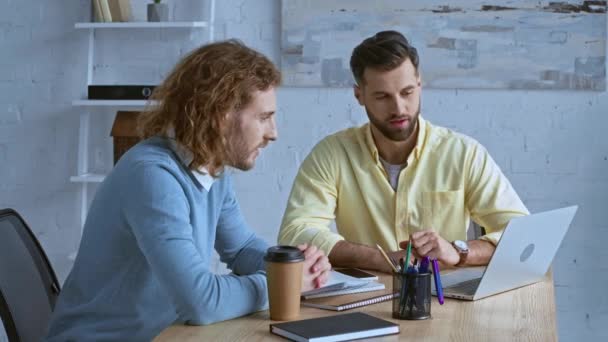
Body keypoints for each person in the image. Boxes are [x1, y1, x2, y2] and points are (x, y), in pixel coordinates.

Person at [46, 40, 331, 341]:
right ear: (220, 114)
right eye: (263, 117)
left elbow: (242, 247)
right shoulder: (153, 176)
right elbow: (201, 302)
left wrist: (294, 266)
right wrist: (282, 284)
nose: (273, 133)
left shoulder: (212, 168)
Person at [278, 30, 528, 273]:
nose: (398, 108)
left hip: (445, 301)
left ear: (419, 85)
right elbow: (295, 233)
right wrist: (382, 259)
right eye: (382, 96)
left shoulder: (464, 153)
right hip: (364, 302)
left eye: (407, 92)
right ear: (359, 95)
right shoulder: (332, 154)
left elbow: (524, 235)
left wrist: (458, 252)